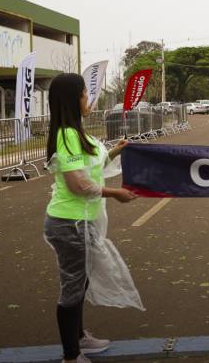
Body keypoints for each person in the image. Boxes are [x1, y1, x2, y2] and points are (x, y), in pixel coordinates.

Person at [43, 73, 143, 363]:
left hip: (80, 221)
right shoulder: (67, 135)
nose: (89, 99)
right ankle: (71, 355)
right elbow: (78, 184)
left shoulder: (76, 133)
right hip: (69, 223)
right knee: (73, 288)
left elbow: (91, 168)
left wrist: (115, 151)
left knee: (80, 282)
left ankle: (78, 338)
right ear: (73, 99)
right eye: (85, 94)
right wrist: (115, 193)